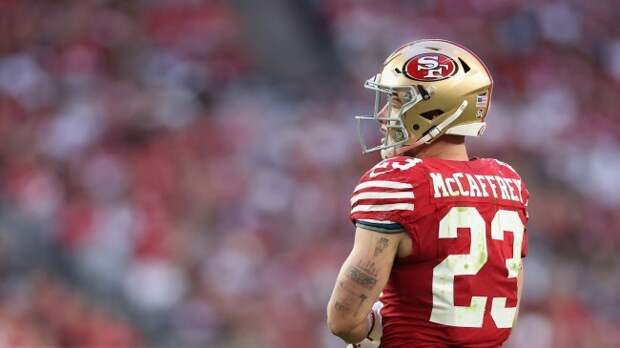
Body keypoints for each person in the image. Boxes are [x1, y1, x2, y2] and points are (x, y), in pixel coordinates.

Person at [326, 39, 529, 348]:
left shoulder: (399, 182)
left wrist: (373, 330)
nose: (383, 116)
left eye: (396, 101)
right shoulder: (508, 183)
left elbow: (345, 320)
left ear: (433, 111)